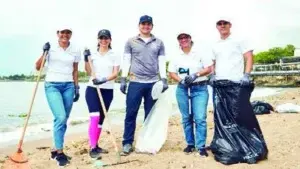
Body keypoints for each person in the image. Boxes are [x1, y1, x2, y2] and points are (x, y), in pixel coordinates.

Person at [209, 17, 268, 164]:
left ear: (230, 25)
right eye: (219, 24)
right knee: (222, 116)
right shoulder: (215, 44)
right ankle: (226, 143)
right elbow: (213, 62)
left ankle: (249, 146)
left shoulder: (240, 39)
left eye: (225, 23)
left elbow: (248, 57)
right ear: (217, 27)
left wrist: (247, 75)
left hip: (236, 83)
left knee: (240, 114)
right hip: (220, 85)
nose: (222, 26)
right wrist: (212, 75)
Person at [120, 15, 168, 155]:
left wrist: (163, 79)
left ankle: (148, 142)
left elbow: (161, 61)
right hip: (135, 82)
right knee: (131, 113)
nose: (146, 26)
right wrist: (123, 78)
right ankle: (127, 142)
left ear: (152, 26)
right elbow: (127, 60)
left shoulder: (159, 42)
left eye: (148, 24)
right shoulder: (131, 42)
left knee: (150, 114)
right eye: (143, 24)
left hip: (153, 83)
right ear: (139, 25)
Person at [35, 27, 81, 166]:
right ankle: (60, 153)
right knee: (60, 117)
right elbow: (38, 67)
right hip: (52, 85)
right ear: (58, 34)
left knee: (63, 119)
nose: (65, 35)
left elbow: (75, 70)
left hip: (68, 86)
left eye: (68, 32)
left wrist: (76, 87)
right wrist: (44, 52)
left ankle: (55, 150)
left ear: (71, 34)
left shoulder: (75, 49)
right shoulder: (51, 49)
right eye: (62, 32)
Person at [168, 31, 213, 157]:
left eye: (185, 37)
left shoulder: (200, 53)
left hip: (199, 88)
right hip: (182, 89)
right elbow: (172, 72)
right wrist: (181, 80)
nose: (183, 40)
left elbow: (209, 68)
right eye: (180, 38)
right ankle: (190, 144)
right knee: (186, 118)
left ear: (190, 39)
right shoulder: (176, 56)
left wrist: (196, 74)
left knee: (200, 118)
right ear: (178, 41)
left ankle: (201, 146)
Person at [83, 29, 120, 159]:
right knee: (95, 116)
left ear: (110, 40)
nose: (104, 40)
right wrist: (86, 59)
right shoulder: (92, 54)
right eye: (101, 38)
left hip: (107, 89)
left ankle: (96, 145)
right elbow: (88, 71)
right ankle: (92, 148)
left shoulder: (114, 54)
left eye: (106, 38)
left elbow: (116, 73)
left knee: (101, 119)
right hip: (93, 88)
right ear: (98, 40)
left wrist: (104, 79)